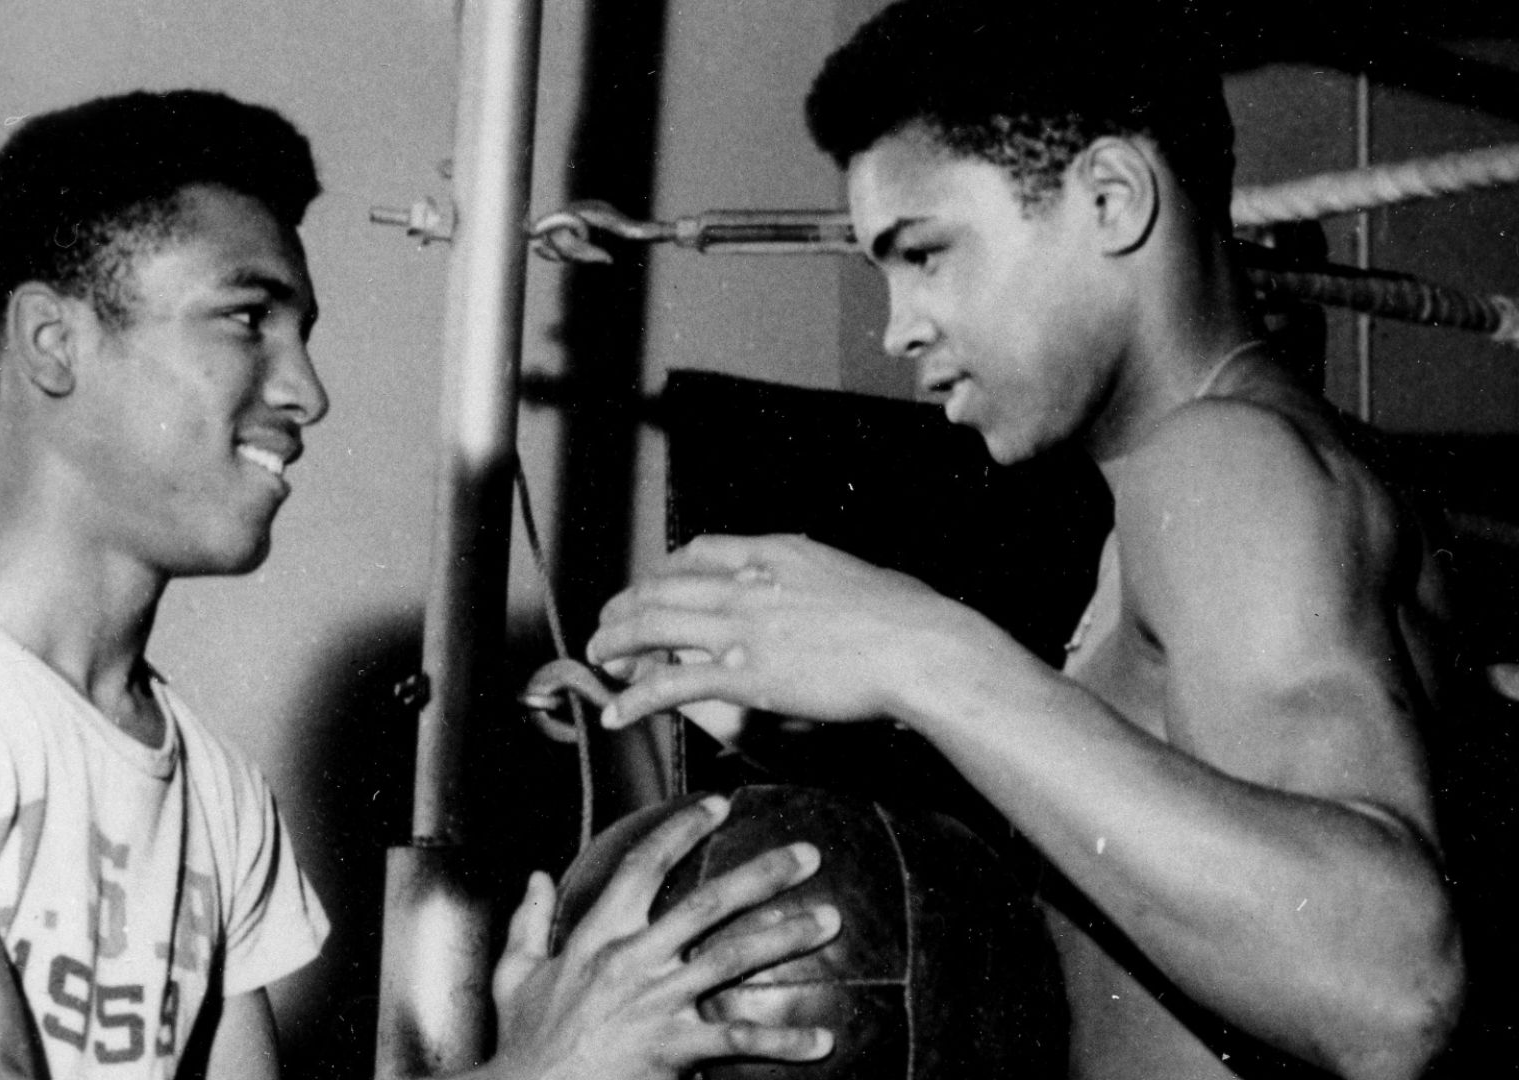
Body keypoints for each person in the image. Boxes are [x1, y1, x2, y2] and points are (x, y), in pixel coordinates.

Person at [0, 90, 841, 1080]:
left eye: (302, 333)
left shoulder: (214, 795)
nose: (305, 390)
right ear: (54, 342)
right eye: (246, 320)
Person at [585, 3, 1467, 1078]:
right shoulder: (1196, 478)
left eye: (926, 254)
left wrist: (920, 655)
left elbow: (1393, 988)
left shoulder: (1226, 463)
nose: (897, 325)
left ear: (1109, 199)